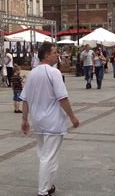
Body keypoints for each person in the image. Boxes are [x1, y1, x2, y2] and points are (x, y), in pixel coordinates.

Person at [20, 42, 79, 196]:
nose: (57, 55)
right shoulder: (54, 72)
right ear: (46, 55)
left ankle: (49, 184)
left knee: (45, 154)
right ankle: (42, 190)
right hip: (52, 121)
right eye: (54, 52)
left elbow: (25, 99)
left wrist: (25, 119)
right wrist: (72, 116)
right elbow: (62, 97)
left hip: (38, 121)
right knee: (48, 155)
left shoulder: (31, 73)